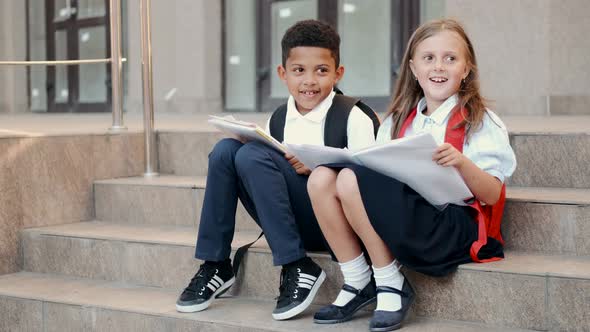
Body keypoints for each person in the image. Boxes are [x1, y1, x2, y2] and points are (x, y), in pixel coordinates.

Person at [306, 18, 517, 331]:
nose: (439, 67)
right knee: (321, 178)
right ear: (414, 69)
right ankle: (358, 280)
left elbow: (492, 195)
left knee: (351, 179)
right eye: (428, 58)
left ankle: (390, 282)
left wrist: (461, 163)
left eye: (450, 58)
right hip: (409, 217)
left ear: (466, 68)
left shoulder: (481, 121)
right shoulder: (398, 121)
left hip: (454, 230)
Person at [176, 19, 378, 321]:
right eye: (299, 71)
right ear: (283, 74)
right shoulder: (281, 117)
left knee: (253, 156)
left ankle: (297, 264)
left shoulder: (353, 116)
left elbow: (372, 187)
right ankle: (215, 263)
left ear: (338, 73)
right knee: (225, 151)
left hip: (338, 227)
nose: (309, 80)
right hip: (289, 222)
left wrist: (317, 171)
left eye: (321, 71)